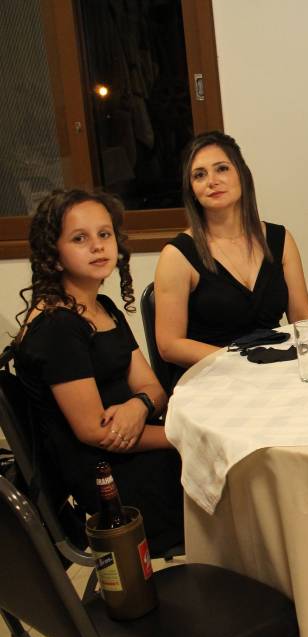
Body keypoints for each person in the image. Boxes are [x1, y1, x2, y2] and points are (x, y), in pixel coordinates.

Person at [14, 189, 185, 554]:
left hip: (137, 448)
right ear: (53, 254)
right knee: (227, 471)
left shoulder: (102, 307)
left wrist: (138, 405)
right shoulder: (57, 326)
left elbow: (152, 387)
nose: (97, 246)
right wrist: (181, 438)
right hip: (111, 481)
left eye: (104, 234)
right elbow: (99, 434)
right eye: (80, 238)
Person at [154, 131, 308, 379]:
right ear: (192, 189)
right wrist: (238, 361)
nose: (212, 181)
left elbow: (303, 318)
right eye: (199, 175)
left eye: (222, 169)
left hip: (273, 368)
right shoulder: (176, 255)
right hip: (212, 375)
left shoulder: (281, 239)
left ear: (242, 174)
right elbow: (169, 345)